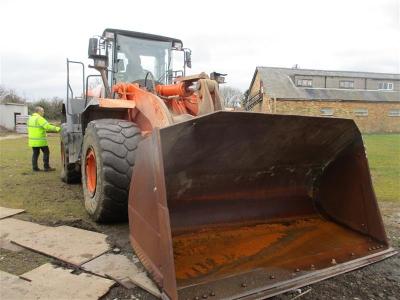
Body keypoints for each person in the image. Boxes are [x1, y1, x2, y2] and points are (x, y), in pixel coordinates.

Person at [27, 106, 61, 172]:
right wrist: (57, 128)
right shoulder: (39, 118)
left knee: (35, 153)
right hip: (40, 140)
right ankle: (46, 167)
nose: (43, 112)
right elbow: (47, 126)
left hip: (32, 140)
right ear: (38, 112)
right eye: (42, 111)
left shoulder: (30, 118)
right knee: (46, 152)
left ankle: (35, 168)